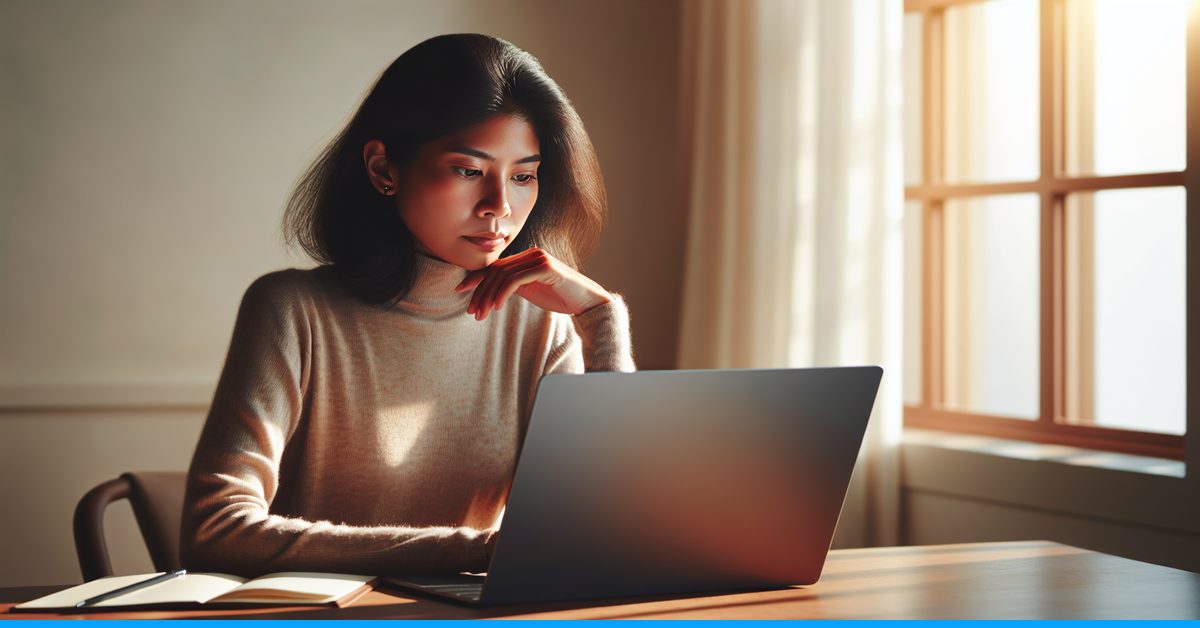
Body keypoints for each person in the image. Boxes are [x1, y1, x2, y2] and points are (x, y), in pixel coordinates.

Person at [180, 33, 636, 578]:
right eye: (469, 171)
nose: (499, 207)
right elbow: (216, 532)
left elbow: (606, 526)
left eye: (523, 176)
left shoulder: (542, 324)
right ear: (383, 169)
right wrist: (479, 552)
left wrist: (597, 317)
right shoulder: (292, 311)